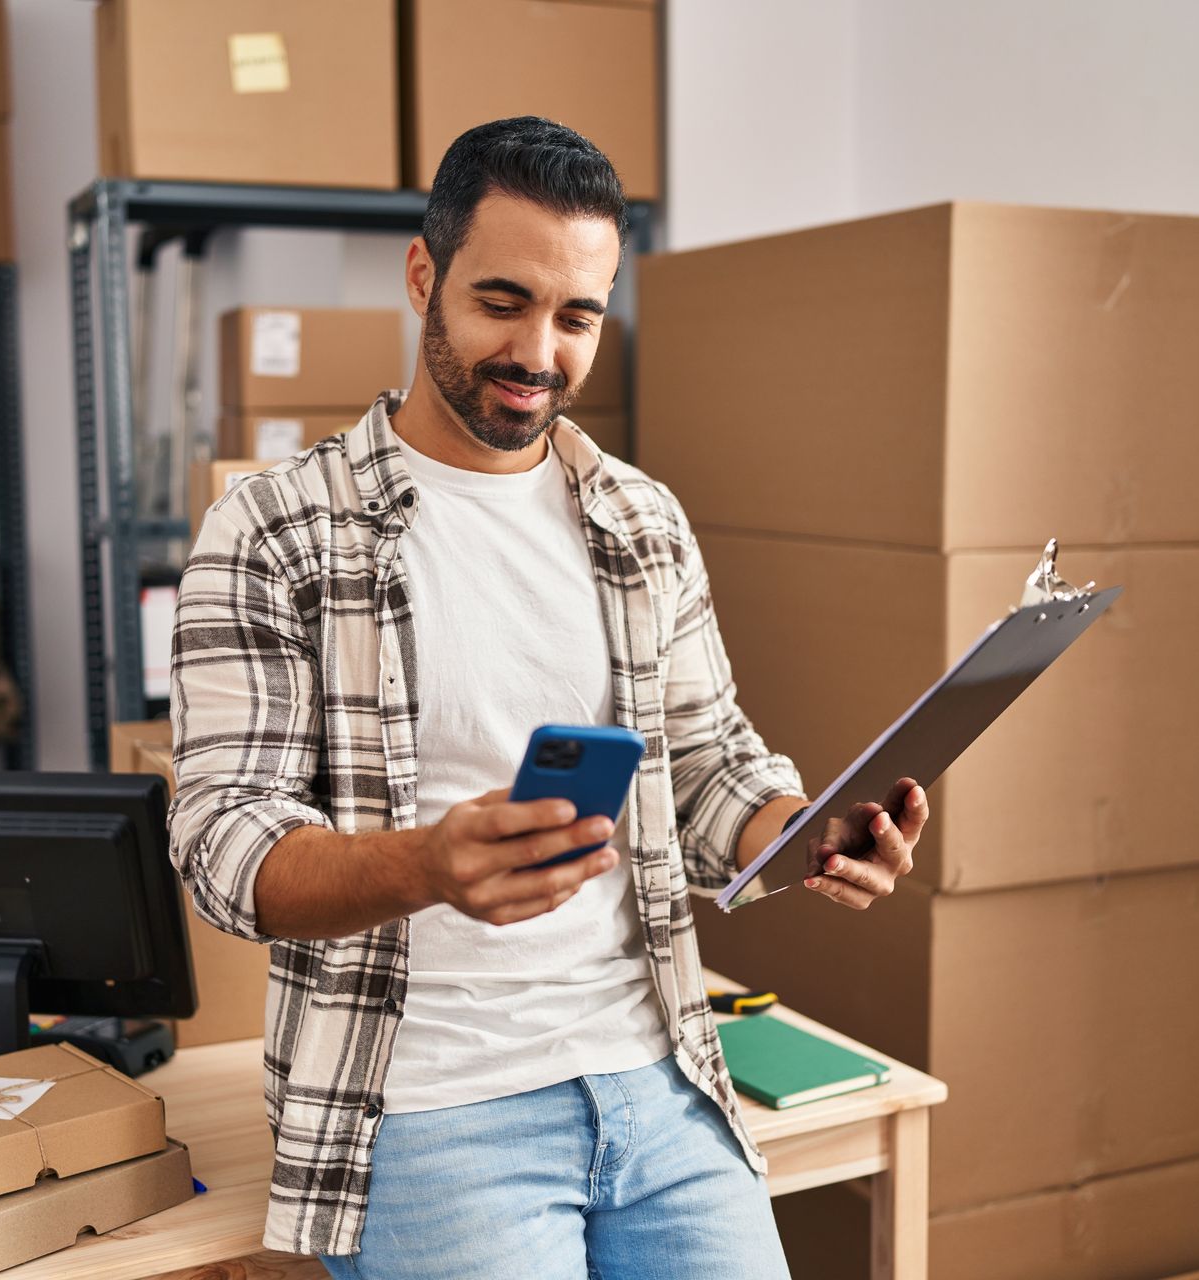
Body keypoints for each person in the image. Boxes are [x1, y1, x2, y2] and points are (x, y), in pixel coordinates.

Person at [169, 116, 928, 1280]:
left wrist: (806, 831)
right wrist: (426, 864)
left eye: (577, 316)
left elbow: (710, 759)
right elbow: (223, 842)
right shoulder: (274, 527)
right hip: (424, 1105)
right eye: (504, 301)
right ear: (423, 274)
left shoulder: (639, 516)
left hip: (660, 1069)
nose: (540, 350)